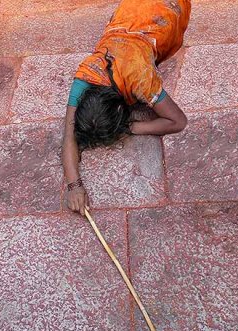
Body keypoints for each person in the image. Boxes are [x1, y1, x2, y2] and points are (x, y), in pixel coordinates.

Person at [62, 0, 191, 215]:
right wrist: (74, 185)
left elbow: (178, 121)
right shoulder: (86, 74)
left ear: (122, 110)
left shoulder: (140, 78)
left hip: (159, 13)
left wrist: (130, 128)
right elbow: (69, 134)